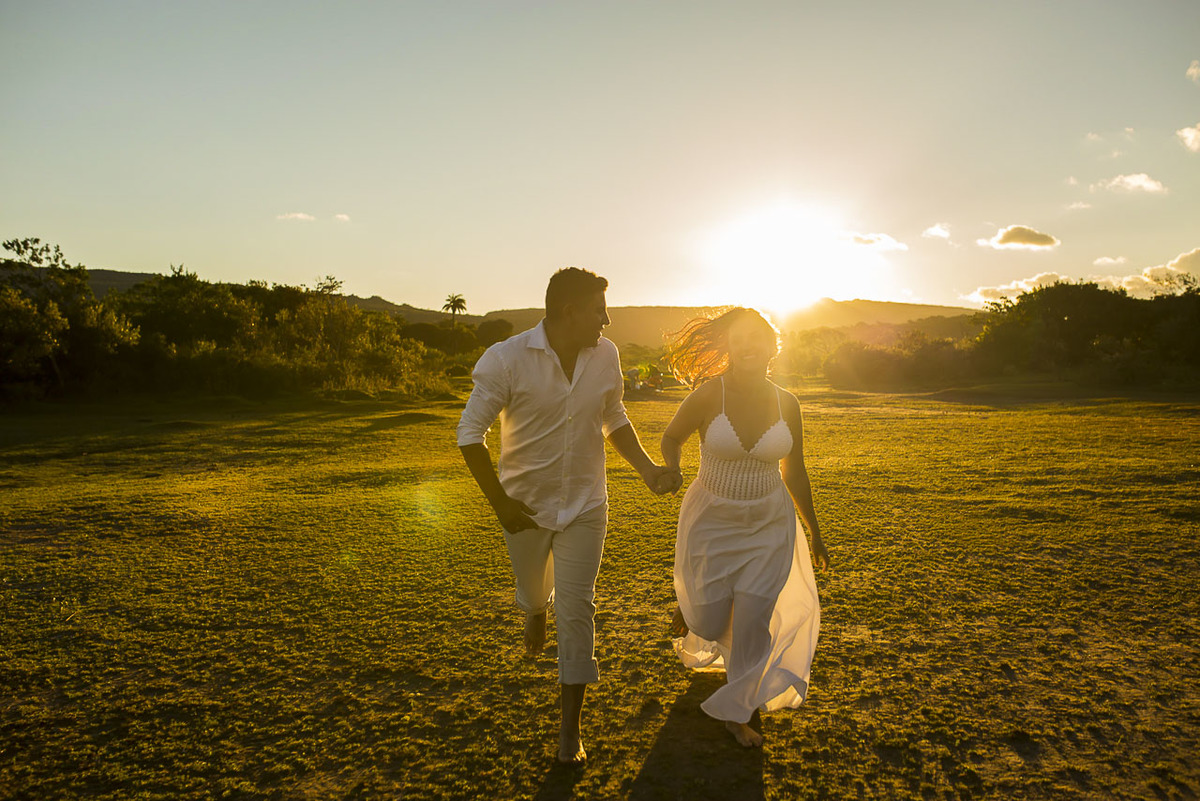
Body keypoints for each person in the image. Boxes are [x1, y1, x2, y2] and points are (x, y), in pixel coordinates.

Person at [457, 267, 682, 765]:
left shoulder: (606, 356)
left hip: (586, 503)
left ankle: (569, 732)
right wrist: (501, 503)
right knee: (536, 592)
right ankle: (534, 607)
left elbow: (614, 416)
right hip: (525, 508)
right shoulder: (506, 359)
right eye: (600, 310)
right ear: (569, 312)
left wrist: (647, 471)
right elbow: (470, 433)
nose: (607, 321)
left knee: (578, 608)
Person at [660, 307, 829, 748]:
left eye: (758, 336)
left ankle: (738, 713)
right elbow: (671, 436)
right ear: (729, 346)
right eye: (739, 338)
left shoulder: (785, 403)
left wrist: (814, 530)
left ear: (774, 343)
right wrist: (673, 467)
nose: (748, 345)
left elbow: (796, 471)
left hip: (769, 522)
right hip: (711, 519)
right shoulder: (707, 395)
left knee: (753, 621)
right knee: (713, 619)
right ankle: (692, 605)